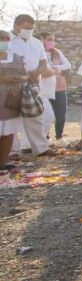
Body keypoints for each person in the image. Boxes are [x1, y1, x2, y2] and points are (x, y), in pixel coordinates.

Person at [9, 14, 53, 157]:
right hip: (13, 84)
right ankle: (12, 151)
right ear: (17, 26)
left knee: (36, 116)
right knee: (12, 117)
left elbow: (43, 62)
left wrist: (36, 73)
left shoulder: (36, 42)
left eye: (31, 28)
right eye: (26, 28)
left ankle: (40, 148)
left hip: (33, 84)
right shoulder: (6, 40)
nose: (29, 30)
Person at [0, 30, 27, 174]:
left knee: (8, 133)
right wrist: (4, 79)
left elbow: (24, 75)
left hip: (11, 100)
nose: (4, 40)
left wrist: (20, 78)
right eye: (1, 38)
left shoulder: (16, 58)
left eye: (6, 38)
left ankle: (2, 163)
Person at [40, 33, 71, 142]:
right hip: (44, 88)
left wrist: (55, 67)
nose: (52, 42)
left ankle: (59, 137)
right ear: (42, 40)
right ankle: (45, 137)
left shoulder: (57, 52)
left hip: (59, 87)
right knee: (46, 114)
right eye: (49, 39)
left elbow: (68, 65)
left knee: (61, 114)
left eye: (53, 39)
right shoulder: (39, 52)